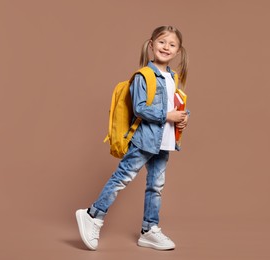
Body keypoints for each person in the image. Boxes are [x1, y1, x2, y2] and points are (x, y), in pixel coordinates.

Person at [76, 25, 189, 251]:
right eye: (162, 42)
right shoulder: (143, 76)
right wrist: (168, 116)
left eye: (172, 44)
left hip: (164, 141)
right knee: (122, 178)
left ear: (178, 51)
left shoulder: (172, 77)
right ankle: (92, 215)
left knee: (156, 186)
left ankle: (149, 230)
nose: (166, 47)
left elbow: (173, 105)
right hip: (145, 139)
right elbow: (139, 109)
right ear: (151, 45)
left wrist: (182, 118)